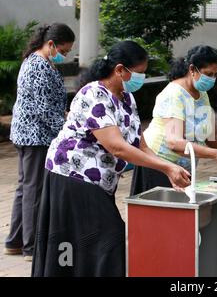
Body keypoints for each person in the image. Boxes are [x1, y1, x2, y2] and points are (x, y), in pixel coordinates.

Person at [31, 41, 191, 277]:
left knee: (91, 242)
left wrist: (168, 169)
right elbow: (117, 147)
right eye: (138, 73)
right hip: (73, 176)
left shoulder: (127, 98)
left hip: (99, 181)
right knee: (110, 237)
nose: (141, 78)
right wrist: (167, 165)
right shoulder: (94, 94)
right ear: (119, 70)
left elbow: (140, 145)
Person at [130, 45, 217, 196]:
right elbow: (175, 142)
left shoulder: (202, 94)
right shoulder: (173, 94)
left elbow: (211, 137)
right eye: (208, 74)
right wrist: (216, 154)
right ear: (192, 69)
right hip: (158, 165)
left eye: (215, 75)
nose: (212, 79)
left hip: (182, 169)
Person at [4, 23, 75, 261]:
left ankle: (15, 241)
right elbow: (45, 109)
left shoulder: (38, 62)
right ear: (51, 44)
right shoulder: (39, 66)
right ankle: (30, 246)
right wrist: (67, 131)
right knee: (33, 190)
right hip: (35, 135)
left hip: (30, 133)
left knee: (26, 188)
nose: (64, 55)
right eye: (63, 50)